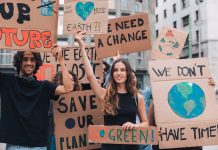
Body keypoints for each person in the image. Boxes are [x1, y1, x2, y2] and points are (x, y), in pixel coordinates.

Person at [75, 30, 148, 150]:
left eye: (122, 70)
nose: (119, 73)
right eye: (115, 70)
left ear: (128, 73)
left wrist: (135, 126)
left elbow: (145, 124)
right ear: (112, 74)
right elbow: (90, 75)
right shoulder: (105, 94)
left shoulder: (137, 97)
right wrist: (81, 46)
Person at [0, 45, 73, 150]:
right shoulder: (7, 81)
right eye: (25, 59)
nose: (29, 63)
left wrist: (60, 59)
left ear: (36, 63)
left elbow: (68, 88)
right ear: (19, 61)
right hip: (14, 145)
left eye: (32, 60)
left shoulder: (44, 86)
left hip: (38, 146)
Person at [148, 78, 215, 150]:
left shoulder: (197, 99)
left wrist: (208, 87)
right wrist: (155, 134)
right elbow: (150, 126)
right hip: (166, 145)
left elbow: (208, 117)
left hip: (191, 145)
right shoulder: (158, 101)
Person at [48, 71, 81, 150]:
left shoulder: (81, 100)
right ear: (59, 81)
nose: (70, 82)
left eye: (72, 79)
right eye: (67, 79)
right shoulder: (51, 98)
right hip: (56, 138)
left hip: (74, 138)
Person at [132, 70, 152, 150]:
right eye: (129, 77)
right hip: (128, 138)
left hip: (144, 139)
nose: (132, 79)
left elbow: (157, 89)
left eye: (134, 77)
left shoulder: (144, 94)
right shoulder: (120, 97)